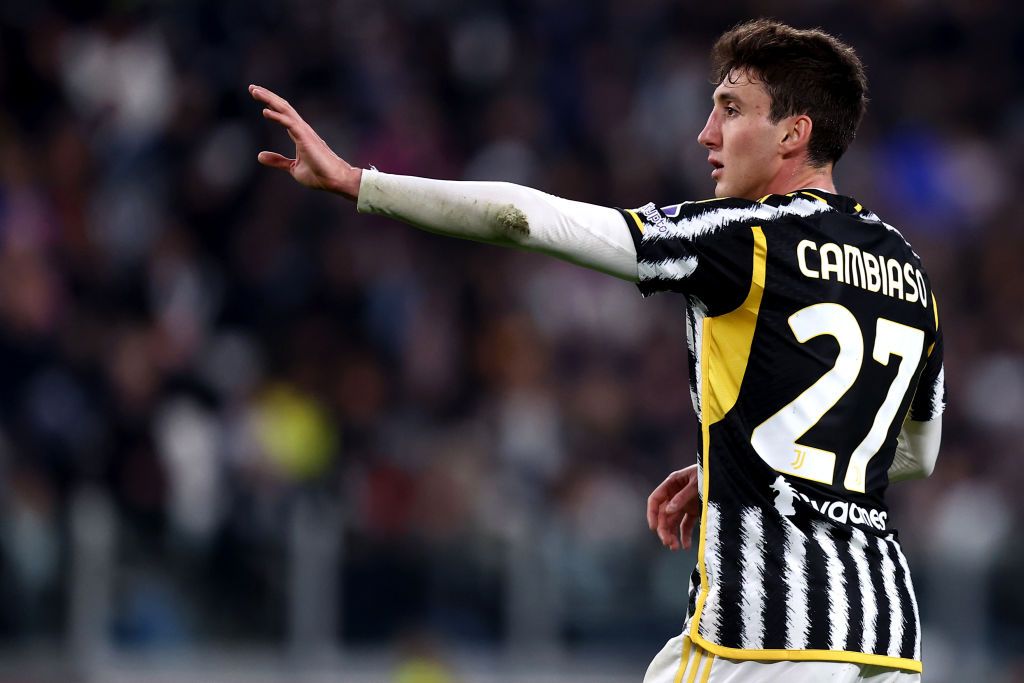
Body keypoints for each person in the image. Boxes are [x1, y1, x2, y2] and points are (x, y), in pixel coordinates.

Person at [250, 18, 943, 683]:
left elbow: (525, 219)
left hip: (762, 640)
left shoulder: (745, 238)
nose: (706, 133)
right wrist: (745, 465)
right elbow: (914, 452)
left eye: (731, 109)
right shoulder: (909, 270)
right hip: (882, 638)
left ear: (794, 132)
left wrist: (358, 182)